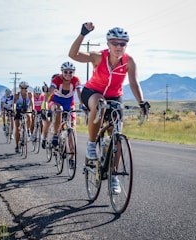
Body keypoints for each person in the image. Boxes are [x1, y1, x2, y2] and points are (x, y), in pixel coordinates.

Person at [69, 22, 148, 194]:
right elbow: (73, 54)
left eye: (123, 43)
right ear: (108, 44)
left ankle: (113, 177)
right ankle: (91, 145)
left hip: (114, 96)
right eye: (115, 43)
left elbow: (134, 83)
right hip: (92, 92)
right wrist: (82, 34)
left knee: (117, 136)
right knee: (100, 104)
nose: (119, 46)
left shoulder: (129, 61)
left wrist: (141, 102)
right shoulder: (99, 57)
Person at [42, 62, 83, 167]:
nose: (68, 74)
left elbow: (79, 93)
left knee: (72, 129)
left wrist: (83, 104)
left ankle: (72, 157)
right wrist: (47, 92)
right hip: (56, 102)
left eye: (71, 72)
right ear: (62, 72)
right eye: (65, 72)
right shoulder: (57, 80)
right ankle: (55, 135)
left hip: (69, 104)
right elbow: (51, 91)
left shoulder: (76, 80)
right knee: (59, 109)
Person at [13, 81, 33, 153]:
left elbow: (31, 102)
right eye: (22, 88)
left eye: (26, 88)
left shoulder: (30, 94)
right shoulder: (17, 95)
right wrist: (14, 110)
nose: (24, 89)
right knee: (17, 128)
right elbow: (14, 103)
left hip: (26, 108)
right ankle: (17, 146)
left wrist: (32, 109)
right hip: (18, 109)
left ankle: (27, 130)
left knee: (29, 116)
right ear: (20, 88)